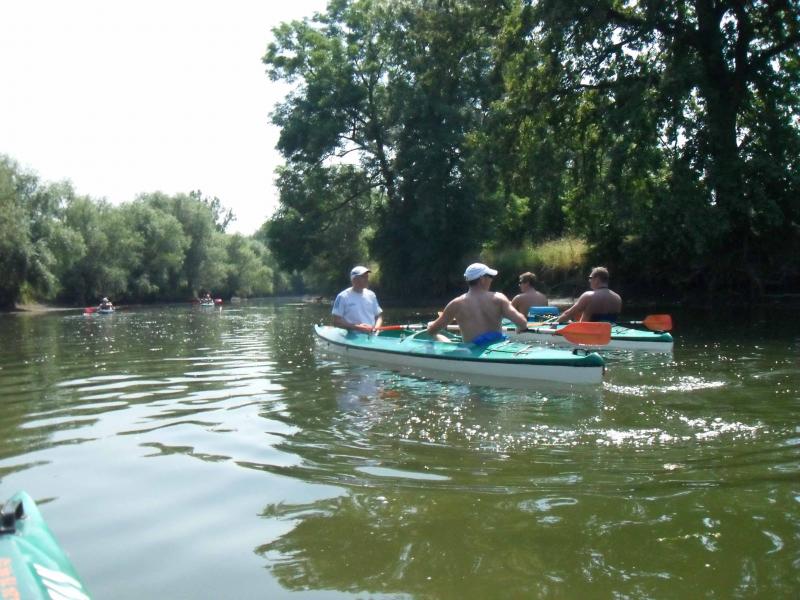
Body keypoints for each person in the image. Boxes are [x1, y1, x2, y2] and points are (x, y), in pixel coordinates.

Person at [427, 262, 528, 344]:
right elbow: (522, 322)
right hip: (498, 345)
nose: (491, 280)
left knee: (435, 335)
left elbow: (432, 331)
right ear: (482, 279)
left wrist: (430, 326)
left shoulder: (456, 304)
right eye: (490, 276)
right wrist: (520, 328)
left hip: (473, 350)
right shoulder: (499, 298)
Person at [556, 266, 622, 323]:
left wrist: (554, 324)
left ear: (597, 279)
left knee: (570, 319)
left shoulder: (588, 296)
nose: (589, 280)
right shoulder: (618, 298)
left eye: (590, 278)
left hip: (587, 331)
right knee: (577, 315)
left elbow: (568, 314)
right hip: (607, 331)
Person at [332, 265, 384, 333]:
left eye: (367, 277)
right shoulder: (342, 297)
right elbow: (336, 321)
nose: (367, 279)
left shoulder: (371, 295)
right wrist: (357, 327)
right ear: (354, 279)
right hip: (350, 335)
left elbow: (379, 317)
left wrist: (375, 329)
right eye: (363, 277)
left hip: (371, 335)